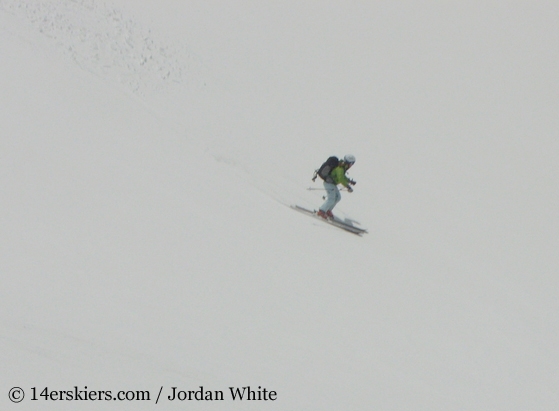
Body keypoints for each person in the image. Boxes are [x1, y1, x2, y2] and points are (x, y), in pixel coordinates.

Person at [317, 154, 356, 219]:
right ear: (349, 163)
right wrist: (347, 186)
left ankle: (328, 210)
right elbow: (341, 178)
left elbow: (342, 177)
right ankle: (321, 211)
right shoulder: (340, 168)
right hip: (329, 183)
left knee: (338, 197)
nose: (352, 165)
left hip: (332, 184)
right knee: (331, 199)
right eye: (352, 163)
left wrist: (349, 181)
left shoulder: (343, 167)